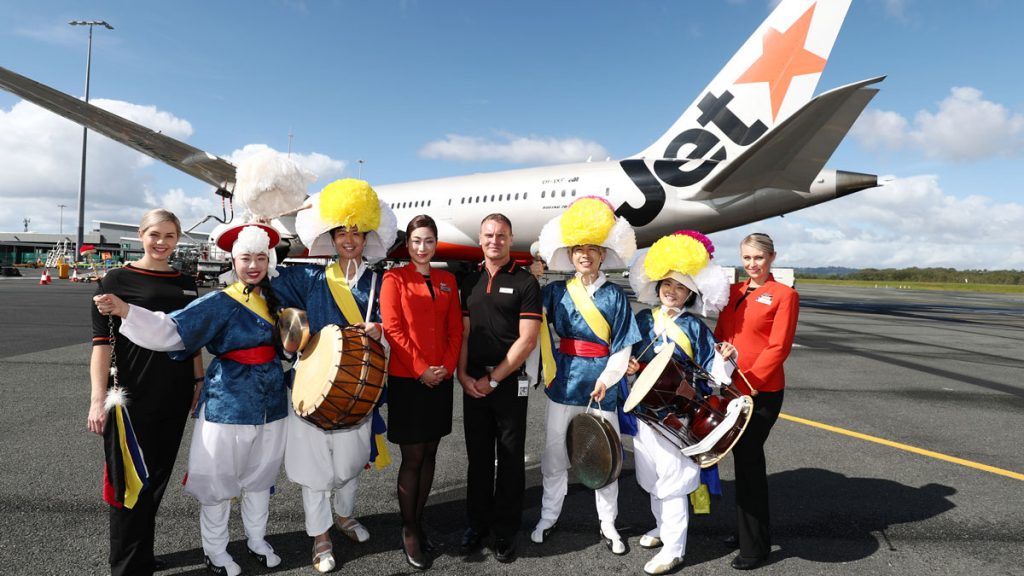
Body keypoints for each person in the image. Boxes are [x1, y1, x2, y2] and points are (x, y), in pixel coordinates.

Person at [95, 222, 289, 576]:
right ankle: (215, 550)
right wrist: (127, 312)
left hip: (271, 402)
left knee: (261, 475)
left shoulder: (276, 299)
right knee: (220, 480)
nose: (253, 265)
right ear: (234, 260)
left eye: (261, 257)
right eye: (245, 257)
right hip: (227, 402)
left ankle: (257, 539)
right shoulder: (219, 300)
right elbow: (174, 330)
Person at [273, 178, 398, 572]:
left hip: (359, 391)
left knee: (350, 463)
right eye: (342, 231)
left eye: (356, 232)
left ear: (367, 237)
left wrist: (382, 333)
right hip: (308, 388)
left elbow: (399, 330)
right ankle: (320, 536)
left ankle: (343, 515)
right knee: (314, 469)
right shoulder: (308, 277)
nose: (349, 239)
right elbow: (268, 284)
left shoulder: (383, 282)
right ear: (331, 235)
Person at [88, 209, 203, 576]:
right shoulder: (116, 280)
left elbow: (194, 340)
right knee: (128, 482)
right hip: (130, 395)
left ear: (178, 239)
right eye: (155, 234)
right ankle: (125, 566)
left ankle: (140, 554)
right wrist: (96, 399)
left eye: (170, 236)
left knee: (154, 480)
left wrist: (198, 383)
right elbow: (101, 345)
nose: (161, 242)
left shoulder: (186, 283)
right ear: (141, 234)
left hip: (174, 391)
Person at [532, 197, 640, 555]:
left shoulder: (615, 296)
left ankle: (608, 524)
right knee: (553, 453)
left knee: (604, 458)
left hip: (601, 387)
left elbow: (622, 347)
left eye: (593, 249)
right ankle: (548, 516)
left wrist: (607, 379)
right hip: (563, 381)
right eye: (579, 249)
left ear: (604, 255)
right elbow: (530, 321)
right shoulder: (555, 291)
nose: (585, 255)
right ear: (570, 254)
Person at [624, 230, 732, 575]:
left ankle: (674, 548)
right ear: (657, 287)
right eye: (666, 285)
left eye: (680, 287)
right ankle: (660, 528)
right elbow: (627, 360)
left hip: (677, 416)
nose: (671, 292)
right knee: (650, 475)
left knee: (673, 480)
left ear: (690, 294)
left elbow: (714, 372)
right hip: (644, 412)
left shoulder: (696, 328)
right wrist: (628, 368)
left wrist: (726, 357)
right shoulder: (642, 320)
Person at [379, 214, 463, 569]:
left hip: (440, 379)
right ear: (407, 244)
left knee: (430, 453)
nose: (422, 247)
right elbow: (394, 331)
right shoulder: (393, 278)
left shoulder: (447, 280)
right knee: (413, 458)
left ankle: (420, 515)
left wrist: (445, 367)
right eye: (416, 241)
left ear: (436, 243)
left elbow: (455, 328)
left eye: (429, 241)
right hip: (408, 379)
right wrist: (421, 370)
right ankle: (409, 528)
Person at [457, 213, 541, 563]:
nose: (495, 240)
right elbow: (462, 333)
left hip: (506, 383)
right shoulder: (468, 281)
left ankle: (506, 530)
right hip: (472, 381)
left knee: (509, 459)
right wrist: (463, 375)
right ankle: (477, 524)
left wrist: (494, 379)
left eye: (502, 235)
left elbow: (528, 340)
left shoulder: (525, 282)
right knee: (477, 458)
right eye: (489, 235)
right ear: (480, 239)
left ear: (510, 239)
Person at [713, 232, 800, 570]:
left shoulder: (785, 295)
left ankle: (755, 548)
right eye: (747, 258)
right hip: (730, 386)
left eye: (759, 258)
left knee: (749, 460)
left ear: (772, 258)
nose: (752, 264)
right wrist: (721, 348)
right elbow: (722, 333)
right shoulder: (733, 292)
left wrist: (750, 383)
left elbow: (779, 348)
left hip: (761, 391)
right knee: (740, 457)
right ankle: (746, 529)